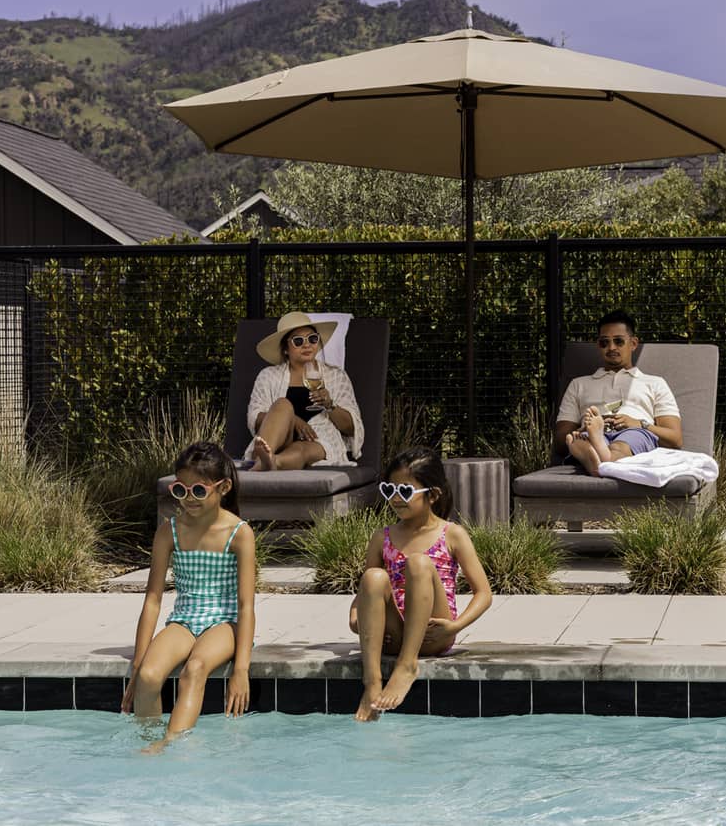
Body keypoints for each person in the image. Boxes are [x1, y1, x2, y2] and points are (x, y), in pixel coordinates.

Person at [122, 442, 256, 752]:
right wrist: (138, 666)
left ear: (223, 488)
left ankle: (170, 743)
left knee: (195, 669)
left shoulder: (239, 533)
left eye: (198, 491)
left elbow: (246, 605)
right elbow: (153, 599)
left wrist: (241, 670)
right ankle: (147, 743)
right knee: (151, 675)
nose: (189, 500)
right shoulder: (169, 531)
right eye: (181, 491)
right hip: (184, 618)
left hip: (225, 622)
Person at [349, 447, 492, 721]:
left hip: (432, 634)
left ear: (433, 495)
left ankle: (407, 665)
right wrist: (356, 616)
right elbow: (365, 592)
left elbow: (483, 593)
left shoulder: (452, 534)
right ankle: (372, 680)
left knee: (418, 563)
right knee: (373, 577)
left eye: (404, 492)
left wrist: (456, 626)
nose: (395, 499)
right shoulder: (383, 537)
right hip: (392, 636)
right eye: (390, 490)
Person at [554, 309, 683, 475]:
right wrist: (583, 428)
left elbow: (675, 439)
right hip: (591, 431)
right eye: (604, 342)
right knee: (582, 437)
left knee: (624, 442)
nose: (611, 347)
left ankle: (595, 456)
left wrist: (639, 424)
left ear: (634, 343)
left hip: (635, 432)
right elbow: (559, 441)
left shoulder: (654, 383)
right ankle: (596, 448)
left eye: (619, 341)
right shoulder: (579, 384)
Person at [247, 311, 363, 470]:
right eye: (298, 341)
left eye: (312, 339)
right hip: (278, 438)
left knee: (302, 448)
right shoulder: (268, 376)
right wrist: (292, 420)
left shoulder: (336, 376)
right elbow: (255, 417)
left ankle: (268, 464)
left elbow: (351, 428)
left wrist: (330, 405)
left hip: (318, 439)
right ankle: (267, 459)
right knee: (282, 405)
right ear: (286, 348)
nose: (307, 345)